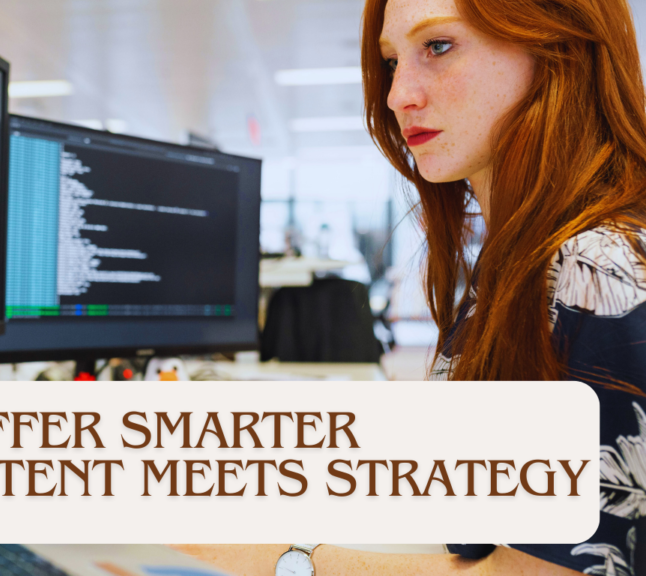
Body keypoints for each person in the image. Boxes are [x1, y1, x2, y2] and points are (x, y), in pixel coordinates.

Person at [175, 0, 646, 571]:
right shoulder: (522, 265)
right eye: (393, 60)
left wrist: (281, 557)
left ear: (559, 48)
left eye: (439, 47)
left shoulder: (598, 271)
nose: (399, 94)